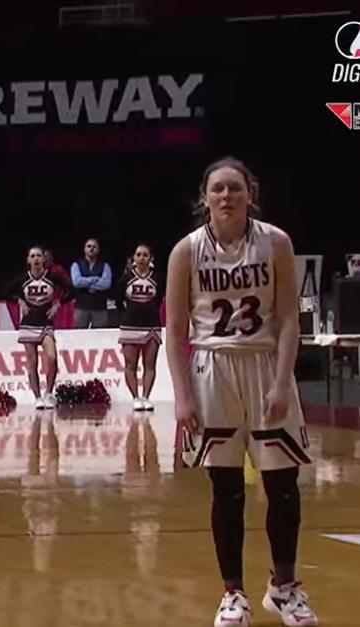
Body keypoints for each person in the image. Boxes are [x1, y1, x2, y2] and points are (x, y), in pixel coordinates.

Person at [166, 157, 318, 627]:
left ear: (250, 194)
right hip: (212, 369)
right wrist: (183, 395)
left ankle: (284, 588)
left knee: (283, 485)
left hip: (266, 363)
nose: (227, 196)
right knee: (227, 488)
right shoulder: (186, 251)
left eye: (235, 188)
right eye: (218, 189)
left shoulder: (276, 242)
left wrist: (282, 381)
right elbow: (176, 330)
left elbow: (289, 318)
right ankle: (233, 594)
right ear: (204, 198)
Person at [5, 246, 73, 409]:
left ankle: (48, 393)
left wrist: (58, 303)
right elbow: (4, 291)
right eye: (33, 256)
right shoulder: (23, 278)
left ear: (44, 259)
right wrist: (19, 301)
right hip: (28, 324)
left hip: (45, 323)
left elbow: (72, 290)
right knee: (32, 362)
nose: (36, 259)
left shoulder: (52, 277)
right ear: (28, 260)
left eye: (38, 256)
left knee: (52, 357)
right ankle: (37, 397)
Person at [115, 243, 164, 411]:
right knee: (131, 364)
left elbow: (159, 300)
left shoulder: (157, 278)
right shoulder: (126, 278)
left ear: (151, 258)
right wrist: (127, 315)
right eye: (138, 254)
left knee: (150, 365)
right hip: (130, 326)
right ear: (134, 258)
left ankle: (146, 397)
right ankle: (135, 397)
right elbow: (118, 301)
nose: (142, 258)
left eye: (145, 255)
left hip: (151, 325)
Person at [70, 238, 113, 328]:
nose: (91, 249)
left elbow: (106, 284)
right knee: (78, 333)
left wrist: (86, 283)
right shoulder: (76, 264)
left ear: (98, 250)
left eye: (94, 247)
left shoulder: (105, 265)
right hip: (81, 307)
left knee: (100, 334)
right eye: (89, 246)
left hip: (100, 307)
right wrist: (94, 279)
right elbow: (77, 282)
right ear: (84, 249)